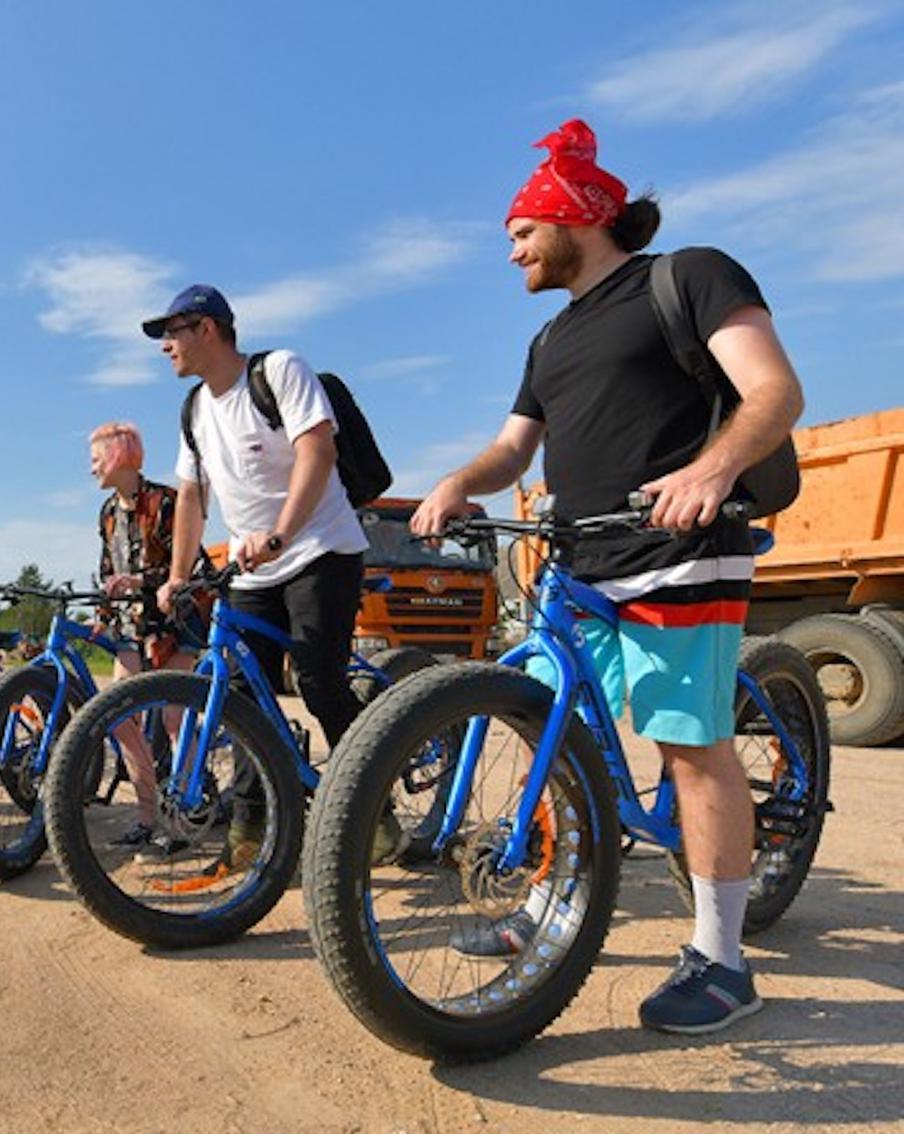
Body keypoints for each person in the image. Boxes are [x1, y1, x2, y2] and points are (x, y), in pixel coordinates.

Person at [411, 119, 804, 1035]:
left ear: (571, 216)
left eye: (519, 232)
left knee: (688, 746)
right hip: (582, 567)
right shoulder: (549, 342)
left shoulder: (689, 275)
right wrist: (459, 483)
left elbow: (774, 392)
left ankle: (721, 959)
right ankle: (549, 908)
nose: (511, 252)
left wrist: (711, 469)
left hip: (684, 550)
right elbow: (516, 448)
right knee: (543, 727)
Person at [144, 286, 403, 869]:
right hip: (252, 568)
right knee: (241, 697)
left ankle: (375, 809)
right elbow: (191, 495)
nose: (166, 346)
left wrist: (283, 533)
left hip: (319, 548)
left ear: (207, 328)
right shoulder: (193, 408)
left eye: (173, 331)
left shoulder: (279, 370)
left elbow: (318, 453)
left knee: (318, 680)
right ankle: (251, 830)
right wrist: (178, 575)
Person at [90, 421, 199, 851]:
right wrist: (104, 612)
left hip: (175, 619)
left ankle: (182, 822)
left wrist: (140, 581)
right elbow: (106, 571)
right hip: (131, 624)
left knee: (175, 718)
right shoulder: (107, 514)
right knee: (118, 716)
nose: (91, 468)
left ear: (117, 457)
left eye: (96, 459)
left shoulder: (166, 501)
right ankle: (146, 815)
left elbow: (187, 566)